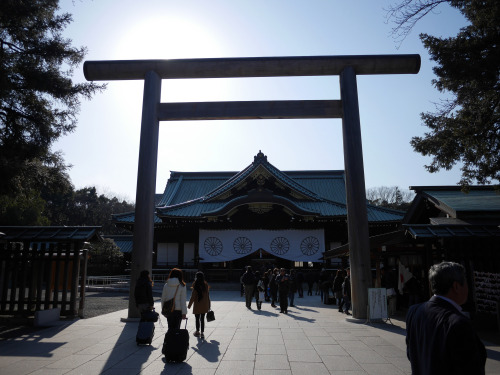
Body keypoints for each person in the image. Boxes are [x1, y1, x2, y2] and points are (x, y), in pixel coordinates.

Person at [406, 261, 486, 375]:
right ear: (456, 286)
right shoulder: (458, 323)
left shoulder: (414, 312)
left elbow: (411, 353)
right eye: (466, 283)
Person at [188, 271, 210, 339]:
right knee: (202, 318)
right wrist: (209, 304)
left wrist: (189, 305)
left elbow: (193, 296)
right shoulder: (205, 284)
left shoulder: (195, 284)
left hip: (197, 304)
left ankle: (197, 331)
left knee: (197, 318)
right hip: (204, 304)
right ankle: (202, 333)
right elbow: (207, 295)